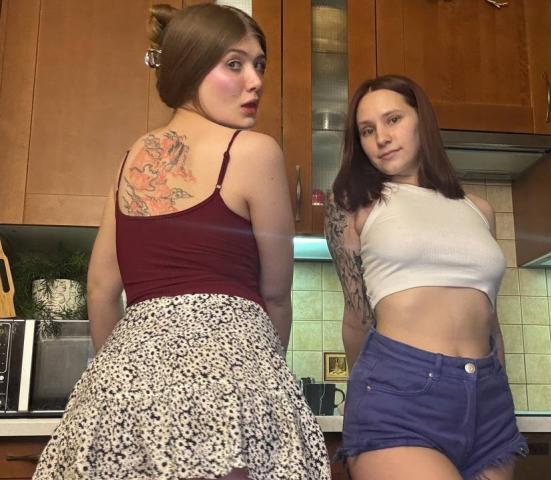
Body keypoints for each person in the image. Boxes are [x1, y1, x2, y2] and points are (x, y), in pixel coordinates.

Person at [33, 4, 330, 479]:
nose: (255, 81)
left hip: (122, 383)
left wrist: (126, 382)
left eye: (259, 65)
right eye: (234, 64)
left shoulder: (131, 158)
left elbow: (101, 290)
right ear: (191, 66)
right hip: (229, 379)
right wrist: (263, 385)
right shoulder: (255, 152)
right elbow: (276, 294)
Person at [325, 74, 528, 480]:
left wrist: (498, 386)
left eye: (393, 119)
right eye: (367, 130)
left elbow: (491, 320)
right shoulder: (354, 205)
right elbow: (357, 314)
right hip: (398, 395)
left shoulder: (478, 209)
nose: (382, 137)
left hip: (488, 399)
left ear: (422, 121)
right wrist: (364, 395)